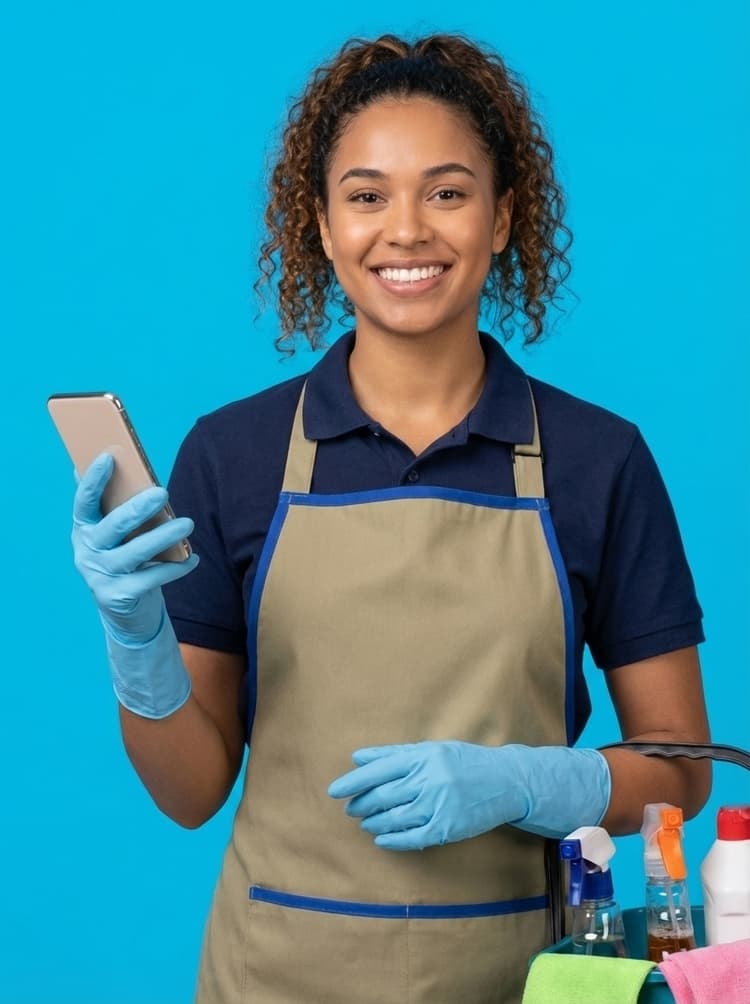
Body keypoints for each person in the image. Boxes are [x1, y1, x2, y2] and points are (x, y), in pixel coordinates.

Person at [69, 32, 712, 1004]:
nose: (405, 230)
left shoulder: (598, 459)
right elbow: (189, 794)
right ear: (323, 227)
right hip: (273, 975)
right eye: (366, 196)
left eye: (447, 192)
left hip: (517, 975)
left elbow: (681, 769)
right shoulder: (235, 454)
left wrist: (534, 783)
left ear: (503, 216)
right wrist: (136, 641)